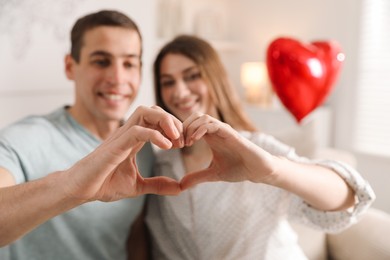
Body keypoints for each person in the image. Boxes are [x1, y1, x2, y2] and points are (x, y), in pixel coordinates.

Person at [145, 35, 376, 260]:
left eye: (192, 76)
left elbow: (349, 199)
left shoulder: (253, 148)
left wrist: (273, 171)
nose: (180, 91)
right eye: (168, 82)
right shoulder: (161, 164)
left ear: (214, 78)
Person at [0, 10, 185, 260]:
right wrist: (71, 185)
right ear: (70, 66)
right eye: (101, 61)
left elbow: (134, 235)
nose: (117, 78)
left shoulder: (143, 146)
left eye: (129, 63)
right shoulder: (26, 138)